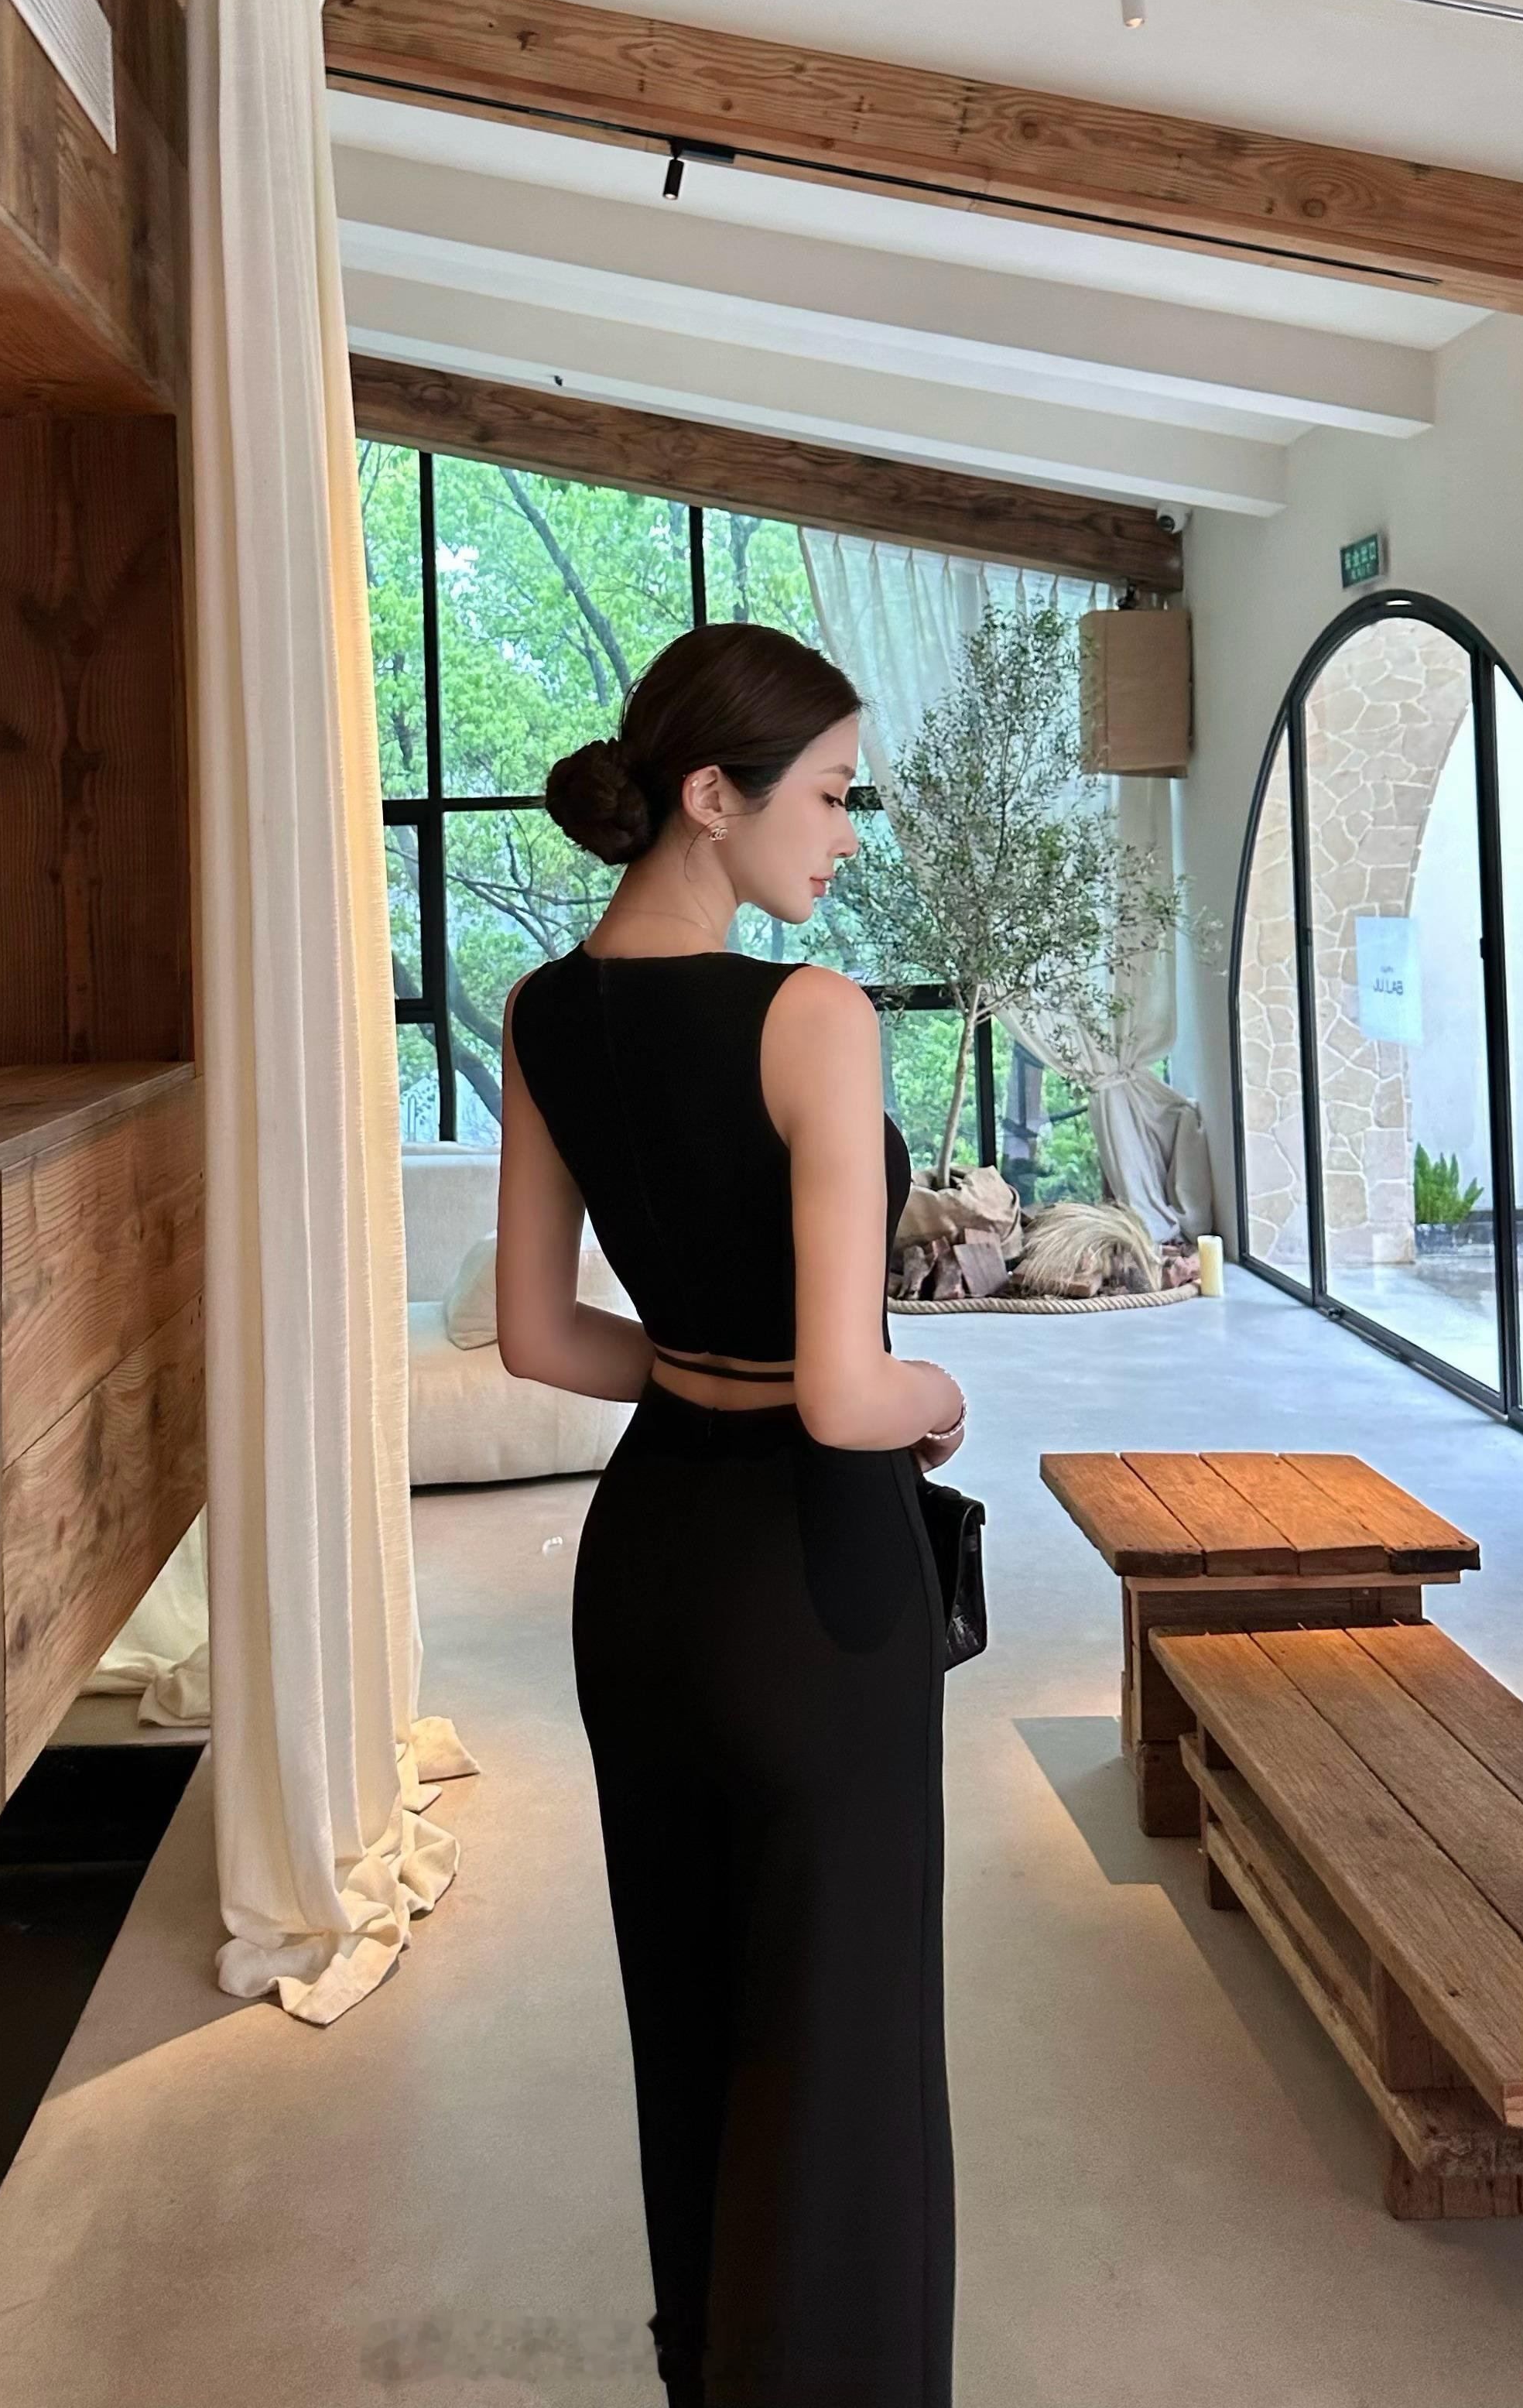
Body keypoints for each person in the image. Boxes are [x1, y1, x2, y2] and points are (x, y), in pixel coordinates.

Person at [495, 620, 963, 2408]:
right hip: (813, 1584)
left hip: (647, 1579)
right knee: (842, 2054)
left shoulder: (544, 1013)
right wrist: (938, 1393)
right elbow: (849, 1393)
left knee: (689, 2014)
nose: (843, 836)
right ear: (713, 795)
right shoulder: (810, 1017)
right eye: (830, 797)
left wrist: (699, 1370)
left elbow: (541, 1338)